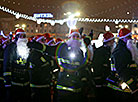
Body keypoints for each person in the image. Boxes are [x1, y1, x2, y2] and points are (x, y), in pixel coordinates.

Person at [55, 29, 92, 102]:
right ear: (69, 37)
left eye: (77, 36)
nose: (75, 38)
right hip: (64, 84)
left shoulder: (80, 52)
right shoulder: (63, 47)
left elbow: (82, 65)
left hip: (76, 85)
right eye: (73, 36)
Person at [3, 29, 31, 102]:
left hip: (25, 81)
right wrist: (8, 81)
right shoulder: (11, 47)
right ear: (16, 37)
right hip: (14, 81)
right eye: (20, 36)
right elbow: (7, 64)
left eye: (24, 36)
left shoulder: (27, 48)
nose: (23, 38)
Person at [111, 28, 138, 102]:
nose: (131, 39)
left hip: (129, 85)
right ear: (124, 39)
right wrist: (133, 85)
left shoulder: (126, 49)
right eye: (129, 37)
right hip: (124, 87)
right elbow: (121, 71)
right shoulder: (120, 51)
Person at [92, 32, 116, 102]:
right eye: (112, 41)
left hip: (108, 80)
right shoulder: (100, 52)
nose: (113, 42)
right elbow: (97, 66)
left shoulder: (109, 51)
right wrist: (100, 78)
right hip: (102, 81)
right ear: (109, 41)